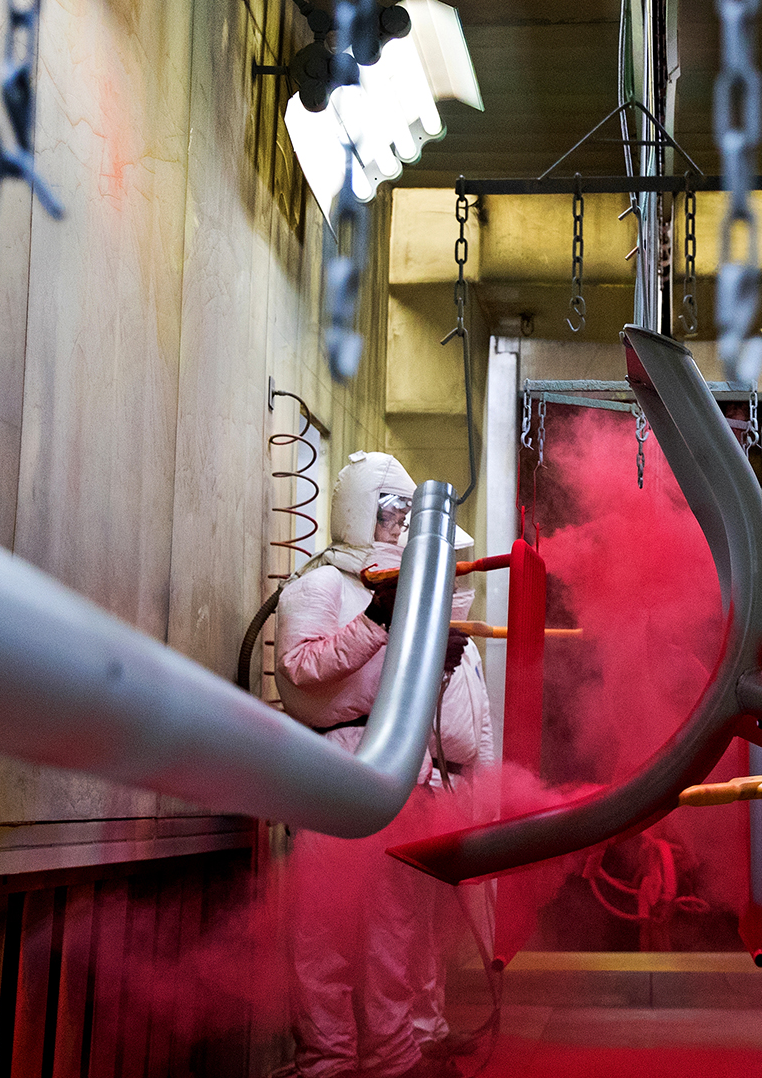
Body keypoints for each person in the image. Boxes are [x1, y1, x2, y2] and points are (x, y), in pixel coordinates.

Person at [275, 452, 491, 1078]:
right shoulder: (321, 587)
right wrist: (376, 621)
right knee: (323, 931)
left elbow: (426, 700)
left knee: (395, 934)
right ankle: (329, 1060)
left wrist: (441, 658)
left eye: (405, 516)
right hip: (334, 766)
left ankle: (395, 1059)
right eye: (391, 514)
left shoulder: (405, 595)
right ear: (359, 512)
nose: (400, 528)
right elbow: (302, 669)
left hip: (402, 771)